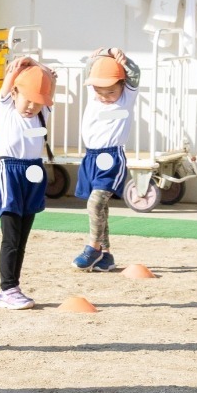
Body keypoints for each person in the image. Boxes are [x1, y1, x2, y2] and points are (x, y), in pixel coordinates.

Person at [0, 59, 53, 309]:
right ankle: (6, 289)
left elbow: (48, 83)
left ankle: (14, 286)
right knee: (11, 236)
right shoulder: (5, 109)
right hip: (11, 172)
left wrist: (39, 67)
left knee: (23, 238)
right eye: (27, 99)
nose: (31, 106)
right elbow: (6, 88)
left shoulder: (42, 114)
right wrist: (18, 68)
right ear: (15, 93)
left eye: (37, 102)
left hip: (34, 173)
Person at [72, 48, 139, 272]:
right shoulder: (95, 94)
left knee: (96, 202)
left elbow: (135, 73)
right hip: (90, 156)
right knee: (101, 207)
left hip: (111, 157)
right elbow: (89, 71)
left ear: (122, 85)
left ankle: (93, 247)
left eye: (110, 91)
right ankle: (106, 255)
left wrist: (120, 57)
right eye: (100, 92)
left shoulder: (126, 98)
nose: (105, 96)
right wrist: (97, 56)